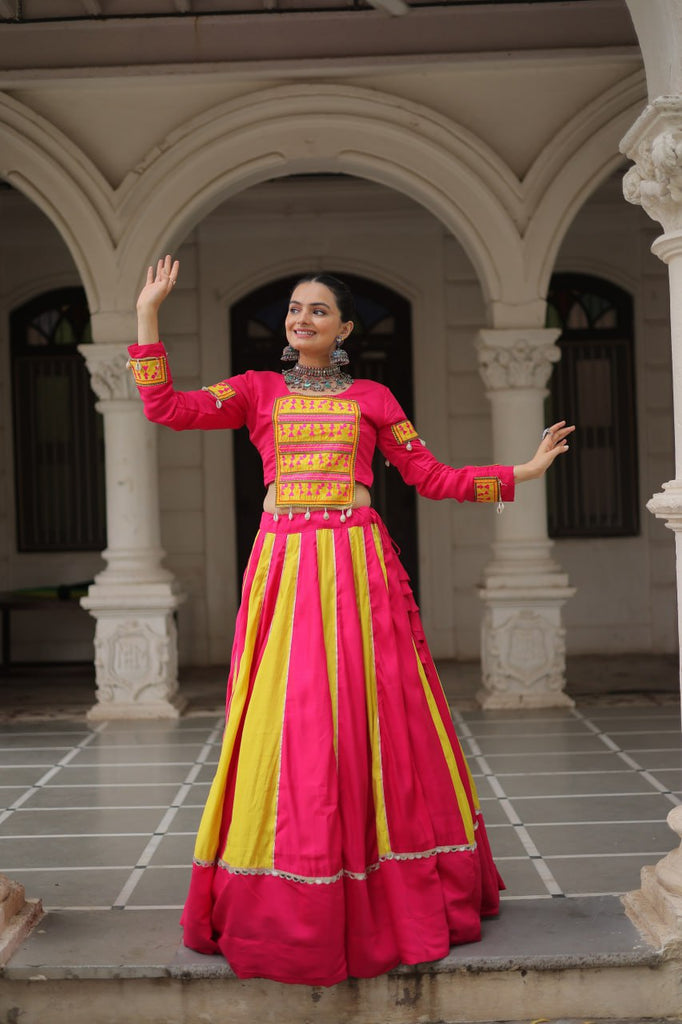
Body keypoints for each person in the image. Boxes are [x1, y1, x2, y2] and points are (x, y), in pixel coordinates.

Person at [129, 254, 573, 987]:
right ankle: (290, 886)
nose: (301, 318)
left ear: (343, 329)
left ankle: (385, 883)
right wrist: (148, 315)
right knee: (291, 719)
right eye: (294, 309)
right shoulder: (256, 390)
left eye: (318, 311)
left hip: (357, 566)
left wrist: (517, 476)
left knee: (376, 719)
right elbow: (166, 408)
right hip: (286, 566)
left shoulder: (373, 397)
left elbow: (428, 476)